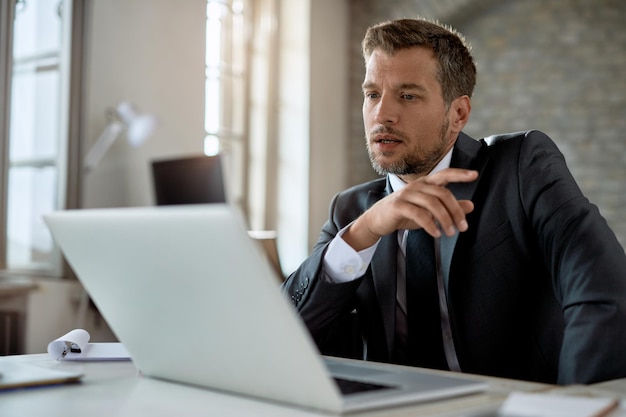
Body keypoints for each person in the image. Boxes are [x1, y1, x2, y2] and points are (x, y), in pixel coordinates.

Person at [282, 17, 626, 385]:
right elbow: (286, 336)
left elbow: (604, 294)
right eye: (372, 94)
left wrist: (572, 407)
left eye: (408, 95)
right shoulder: (351, 211)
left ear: (458, 113)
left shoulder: (522, 168)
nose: (382, 115)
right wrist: (364, 231)